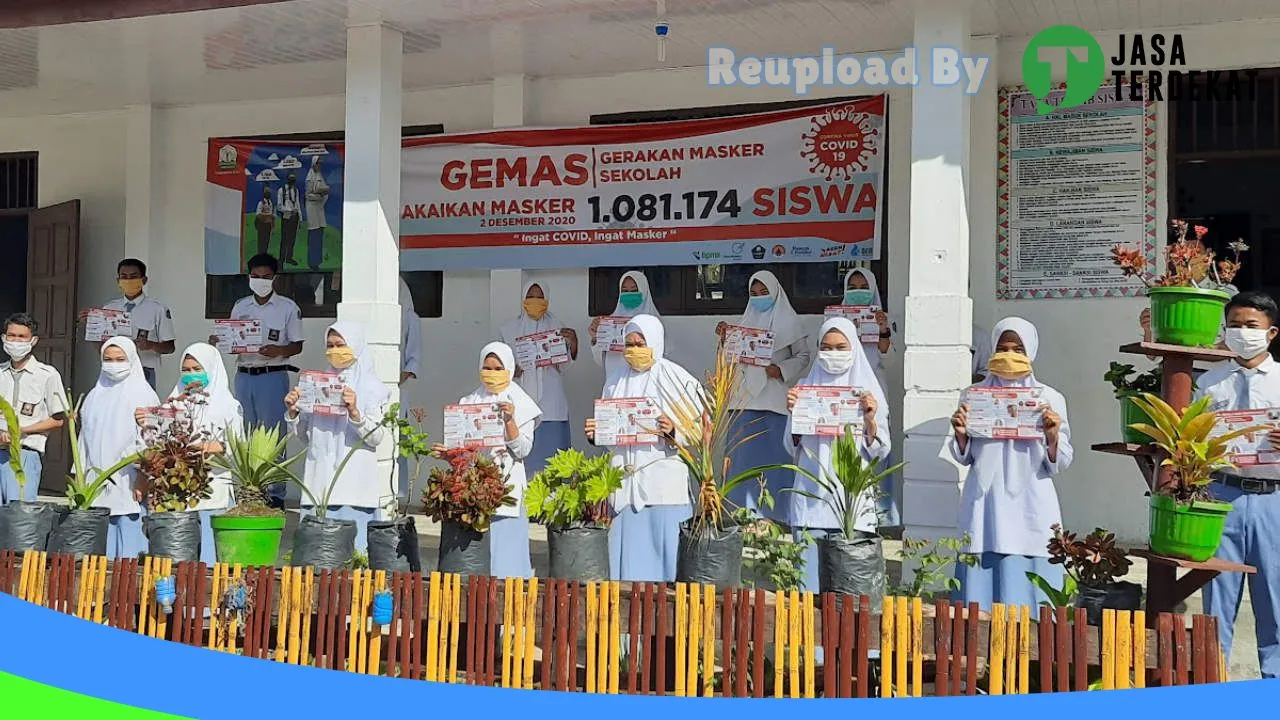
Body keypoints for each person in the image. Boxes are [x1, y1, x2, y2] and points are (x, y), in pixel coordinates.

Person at [948, 317, 1072, 610]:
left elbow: (1061, 460)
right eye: (1002, 348)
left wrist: (1052, 435)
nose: (1010, 356)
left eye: (1018, 349)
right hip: (985, 503)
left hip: (1030, 501)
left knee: (1030, 591)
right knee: (979, 591)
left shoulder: (1049, 398)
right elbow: (964, 455)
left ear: (1031, 352)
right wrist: (961, 434)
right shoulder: (973, 396)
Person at [1195, 291, 1280, 678]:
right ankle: (1214, 683)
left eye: (1252, 326)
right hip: (1220, 495)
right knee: (1217, 598)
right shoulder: (1210, 383)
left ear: (1271, 333)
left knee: (1274, 600)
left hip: (1272, 500)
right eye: (1234, 325)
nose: (1242, 332)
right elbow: (1190, 439)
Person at [586, 314, 697, 582]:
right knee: (625, 570)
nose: (634, 350)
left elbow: (698, 430)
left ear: (655, 343)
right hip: (624, 486)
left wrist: (673, 430)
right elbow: (611, 428)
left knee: (666, 562)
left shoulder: (676, 378)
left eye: (640, 343)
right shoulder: (615, 380)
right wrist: (596, 434)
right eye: (629, 344)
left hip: (663, 484)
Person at [784, 316, 890, 593]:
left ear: (853, 348)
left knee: (849, 593)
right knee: (808, 587)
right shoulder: (806, 388)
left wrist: (869, 419)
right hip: (811, 500)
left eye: (841, 347)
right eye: (826, 347)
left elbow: (881, 450)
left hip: (851, 505)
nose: (833, 354)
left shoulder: (869, 392)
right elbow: (791, 446)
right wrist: (794, 413)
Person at [434, 342, 540, 578]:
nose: (491, 374)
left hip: (506, 488)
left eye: (497, 368)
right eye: (487, 368)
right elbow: (462, 451)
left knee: (507, 563)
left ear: (510, 369)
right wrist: (449, 456)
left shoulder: (521, 403)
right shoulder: (468, 402)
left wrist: (510, 421)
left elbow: (523, 450)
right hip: (473, 493)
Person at [285, 321, 390, 554]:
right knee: (316, 558)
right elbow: (305, 436)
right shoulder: (318, 384)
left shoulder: (373, 388)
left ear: (356, 346)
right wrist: (294, 412)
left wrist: (354, 412)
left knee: (353, 558)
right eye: (329, 345)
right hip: (319, 483)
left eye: (340, 345)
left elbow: (377, 437)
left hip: (354, 488)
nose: (334, 351)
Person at [716, 271, 810, 522]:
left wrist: (779, 370)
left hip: (774, 402)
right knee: (741, 461)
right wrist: (727, 340)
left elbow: (803, 357)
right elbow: (729, 361)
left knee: (776, 462)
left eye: (763, 293)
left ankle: (776, 516)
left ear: (776, 292)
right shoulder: (744, 322)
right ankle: (739, 515)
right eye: (753, 294)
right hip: (744, 401)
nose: (759, 298)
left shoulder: (790, 323)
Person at [216, 253, 303, 509]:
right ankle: (249, 487)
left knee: (273, 434)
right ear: (249, 277)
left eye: (265, 277)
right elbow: (230, 336)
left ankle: (275, 492)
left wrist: (279, 351)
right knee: (245, 432)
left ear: (274, 278)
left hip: (271, 375)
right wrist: (219, 340)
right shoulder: (241, 306)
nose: (260, 281)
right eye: (255, 277)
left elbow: (296, 345)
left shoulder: (287, 308)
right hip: (245, 375)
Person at [144, 342, 243, 566]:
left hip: (212, 487)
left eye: (197, 369)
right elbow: (159, 441)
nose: (191, 375)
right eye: (186, 370)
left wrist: (206, 448)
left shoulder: (228, 406)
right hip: (179, 491)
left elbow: (237, 447)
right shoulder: (174, 404)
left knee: (209, 555)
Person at [81, 337, 159, 559]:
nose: (113, 364)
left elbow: (150, 442)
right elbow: (83, 441)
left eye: (119, 359)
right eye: (108, 359)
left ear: (132, 360)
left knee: (129, 559)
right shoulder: (93, 396)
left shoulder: (143, 394)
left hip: (129, 485)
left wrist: (143, 480)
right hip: (95, 488)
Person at [499, 280, 578, 478]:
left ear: (547, 299)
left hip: (551, 402)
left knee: (554, 465)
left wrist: (572, 343)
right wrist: (511, 370)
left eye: (539, 296)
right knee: (523, 461)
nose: (535, 300)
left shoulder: (557, 326)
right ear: (523, 299)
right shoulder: (508, 330)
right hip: (520, 399)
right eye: (530, 296)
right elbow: (499, 365)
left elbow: (565, 366)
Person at [843, 268, 899, 527]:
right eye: (852, 286)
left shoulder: (881, 320)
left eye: (862, 286)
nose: (857, 291)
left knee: (876, 444)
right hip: (843, 392)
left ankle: (878, 514)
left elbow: (890, 359)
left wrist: (883, 329)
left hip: (874, 391)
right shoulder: (837, 321)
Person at [0, 313, 68, 504]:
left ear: (33, 340)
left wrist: (19, 431)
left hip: (25, 453)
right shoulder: (0, 373)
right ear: (4, 338)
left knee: (19, 517)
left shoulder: (46, 375)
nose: (15, 341)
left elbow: (58, 419)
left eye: (21, 337)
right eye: (11, 335)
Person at [105, 258, 176, 390]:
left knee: (142, 409)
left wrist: (150, 345)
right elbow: (100, 343)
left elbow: (170, 347)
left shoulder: (157, 309)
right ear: (118, 281)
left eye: (133, 277)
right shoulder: (109, 309)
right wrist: (92, 323)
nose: (128, 280)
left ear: (144, 280)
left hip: (145, 371)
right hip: (115, 369)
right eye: (124, 277)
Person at [590, 271, 661, 386]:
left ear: (644, 292)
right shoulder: (609, 324)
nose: (629, 294)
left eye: (634, 291)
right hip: (615, 384)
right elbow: (600, 361)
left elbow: (661, 357)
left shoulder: (654, 324)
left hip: (646, 384)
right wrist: (596, 338)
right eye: (624, 291)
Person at [396, 277, 424, 504]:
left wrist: (395, 378)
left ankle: (399, 495)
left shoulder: (410, 318)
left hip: (397, 388)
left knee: (399, 442)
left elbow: (413, 360)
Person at [305, 156, 330, 270]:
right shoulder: (309, 178)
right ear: (314, 164)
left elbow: (325, 188)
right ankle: (312, 262)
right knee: (314, 235)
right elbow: (308, 195)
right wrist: (318, 196)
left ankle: (318, 261)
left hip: (320, 208)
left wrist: (323, 193)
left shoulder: (319, 176)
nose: (320, 165)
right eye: (318, 163)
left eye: (321, 164)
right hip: (312, 209)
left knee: (320, 233)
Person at [277, 172, 302, 266]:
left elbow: (298, 204)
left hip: (295, 217)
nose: (292, 180)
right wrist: (289, 211)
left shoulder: (296, 190)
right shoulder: (281, 190)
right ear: (287, 179)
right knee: (284, 239)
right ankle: (281, 260)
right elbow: (279, 206)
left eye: (294, 178)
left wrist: (300, 218)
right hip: (287, 217)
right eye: (291, 178)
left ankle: (289, 258)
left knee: (292, 239)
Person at [254, 186, 275, 256]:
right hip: (262, 225)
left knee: (267, 241)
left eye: (269, 192)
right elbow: (258, 214)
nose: (268, 194)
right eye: (267, 192)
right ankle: (260, 255)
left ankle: (265, 254)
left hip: (268, 225)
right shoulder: (261, 203)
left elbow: (272, 215)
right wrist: (266, 215)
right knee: (261, 242)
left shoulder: (270, 203)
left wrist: (273, 224)